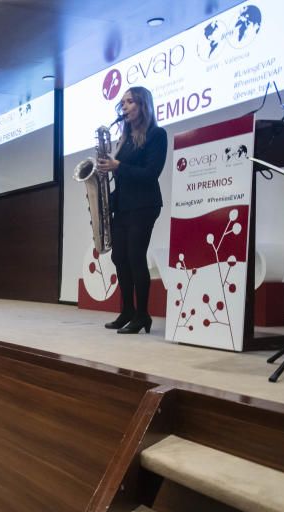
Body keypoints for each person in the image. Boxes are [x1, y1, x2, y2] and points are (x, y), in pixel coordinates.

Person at [97, 86, 168, 335]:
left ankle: (143, 315)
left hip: (145, 204)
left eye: (130, 102)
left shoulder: (156, 134)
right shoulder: (124, 140)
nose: (124, 107)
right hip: (124, 205)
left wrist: (118, 165)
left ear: (142, 105)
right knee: (119, 258)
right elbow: (122, 176)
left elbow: (151, 174)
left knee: (136, 257)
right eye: (123, 103)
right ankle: (127, 310)